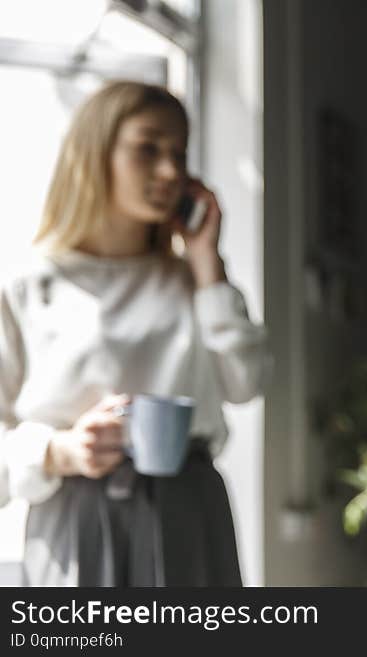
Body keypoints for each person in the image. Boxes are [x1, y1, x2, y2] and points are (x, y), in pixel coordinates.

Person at [0, 81, 267, 586]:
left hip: (190, 510)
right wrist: (57, 451)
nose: (170, 171)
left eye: (179, 154)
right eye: (148, 148)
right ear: (95, 151)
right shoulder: (25, 288)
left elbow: (246, 382)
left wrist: (207, 262)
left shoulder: (197, 281)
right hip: (73, 518)